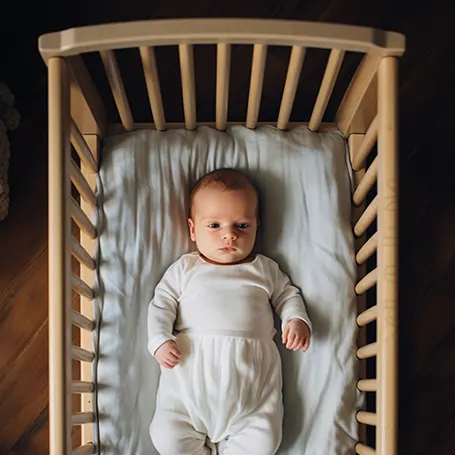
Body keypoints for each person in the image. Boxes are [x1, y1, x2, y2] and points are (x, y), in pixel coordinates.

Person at [147, 168, 312, 455]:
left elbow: (288, 295)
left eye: (242, 226)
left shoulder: (264, 269)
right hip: (188, 386)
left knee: (263, 442)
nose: (229, 236)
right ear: (192, 230)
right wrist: (159, 339)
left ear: (257, 226)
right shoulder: (185, 269)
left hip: (251, 388)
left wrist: (296, 318)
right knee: (167, 437)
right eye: (214, 226)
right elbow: (161, 303)